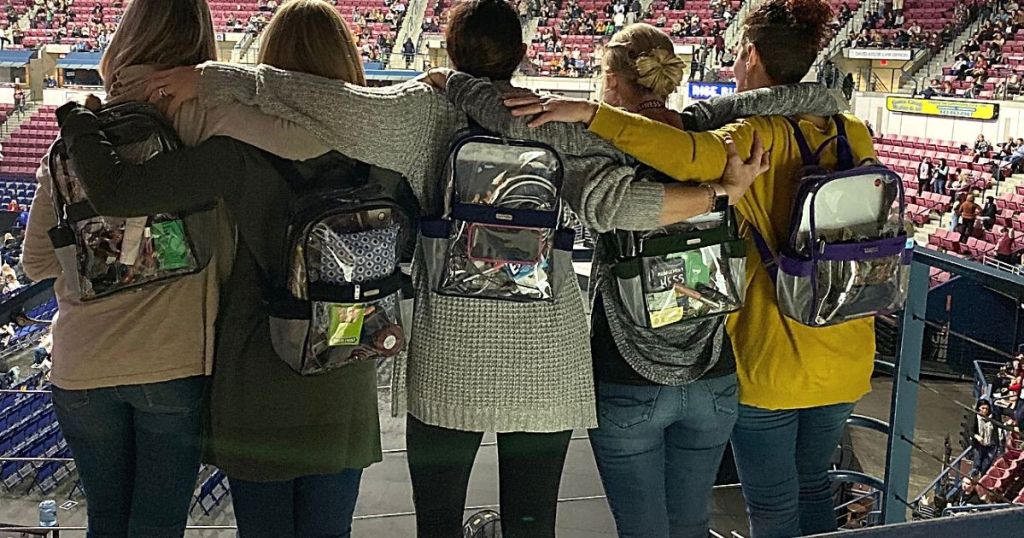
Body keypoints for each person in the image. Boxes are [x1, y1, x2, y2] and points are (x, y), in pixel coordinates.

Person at [142, 1, 788, 534]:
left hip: (451, 351)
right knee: (532, 523)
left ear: (449, 51)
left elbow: (328, 100)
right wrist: (720, 194)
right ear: (521, 54)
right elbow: (624, 204)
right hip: (546, 360)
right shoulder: (551, 118)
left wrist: (213, 79)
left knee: (440, 522)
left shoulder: (423, 111)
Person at [502, 0, 881, 535]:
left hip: (768, 355)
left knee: (771, 504)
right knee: (813, 487)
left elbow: (683, 156)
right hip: (845, 346)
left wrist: (591, 114)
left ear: (750, 54)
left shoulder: (752, 137)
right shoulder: (850, 131)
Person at [23, 1, 340, 537]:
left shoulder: (76, 132)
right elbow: (312, 137)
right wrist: (219, 83)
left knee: (105, 520)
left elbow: (34, 263)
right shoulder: (197, 114)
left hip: (79, 362)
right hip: (171, 361)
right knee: (158, 524)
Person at [584, 23, 835, 538]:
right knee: (692, 524)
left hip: (628, 375)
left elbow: (612, 206)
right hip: (713, 373)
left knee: (642, 529)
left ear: (611, 79)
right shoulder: (709, 137)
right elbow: (796, 94)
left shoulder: (602, 145)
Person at [970, 400, 999, 475]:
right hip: (979, 445)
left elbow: (999, 425)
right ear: (979, 408)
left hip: (991, 445)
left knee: (985, 466)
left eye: (986, 409)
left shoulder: (992, 417)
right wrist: (977, 436)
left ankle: (980, 480)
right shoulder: (975, 417)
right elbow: (970, 431)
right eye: (983, 408)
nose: (984, 411)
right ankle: (972, 480)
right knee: (977, 465)